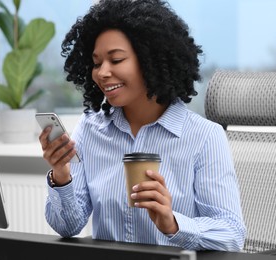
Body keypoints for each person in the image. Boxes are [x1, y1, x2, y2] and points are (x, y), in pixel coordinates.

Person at [38, 0, 246, 251]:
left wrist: (173, 224)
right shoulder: (91, 129)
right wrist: (61, 175)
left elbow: (231, 234)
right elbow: (68, 226)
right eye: (96, 63)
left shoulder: (203, 137)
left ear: (151, 60)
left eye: (116, 60)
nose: (102, 72)